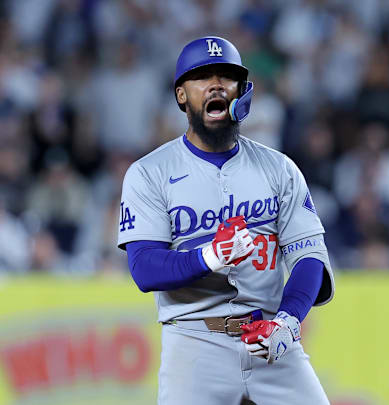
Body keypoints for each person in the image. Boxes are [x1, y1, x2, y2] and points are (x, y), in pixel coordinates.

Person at [117, 36, 334, 405]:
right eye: (202, 77)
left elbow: (309, 256)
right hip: (194, 342)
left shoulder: (279, 168)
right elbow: (144, 269)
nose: (216, 84)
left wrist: (289, 320)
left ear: (242, 91)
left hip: (270, 336)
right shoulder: (149, 173)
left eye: (226, 76)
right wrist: (209, 257)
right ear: (182, 95)